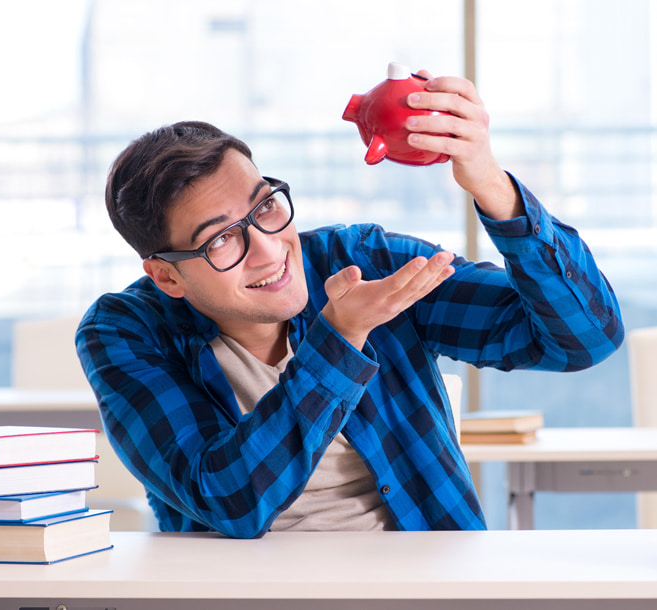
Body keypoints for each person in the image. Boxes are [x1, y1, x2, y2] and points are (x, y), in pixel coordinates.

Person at [76, 72, 624, 538]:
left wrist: (490, 184)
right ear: (167, 276)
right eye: (221, 239)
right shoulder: (125, 332)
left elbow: (583, 337)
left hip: (421, 586)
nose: (269, 249)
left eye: (265, 206)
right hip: (240, 594)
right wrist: (338, 341)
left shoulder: (360, 260)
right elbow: (228, 500)